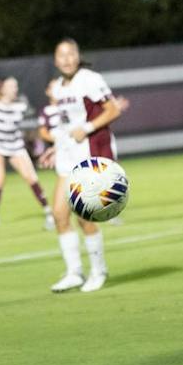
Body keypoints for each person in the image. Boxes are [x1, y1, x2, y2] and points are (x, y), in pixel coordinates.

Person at [47, 38, 122, 293]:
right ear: (55, 60)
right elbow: (63, 125)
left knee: (83, 215)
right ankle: (74, 273)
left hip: (90, 151)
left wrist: (88, 127)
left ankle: (98, 271)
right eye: (62, 55)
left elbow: (113, 110)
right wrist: (53, 147)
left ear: (78, 56)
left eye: (71, 54)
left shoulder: (89, 78)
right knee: (59, 214)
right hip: (67, 154)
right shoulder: (56, 87)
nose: (67, 59)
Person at [0, 76, 53, 230]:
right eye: (12, 86)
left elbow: (23, 129)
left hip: (15, 146)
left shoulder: (21, 106)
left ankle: (49, 212)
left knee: (31, 177)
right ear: (3, 89)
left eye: (16, 86)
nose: (15, 89)